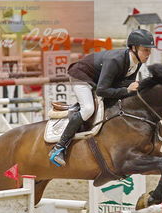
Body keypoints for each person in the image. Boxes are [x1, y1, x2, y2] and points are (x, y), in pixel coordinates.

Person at [49, 28, 156, 166]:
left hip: (98, 80)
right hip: (81, 76)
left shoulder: (137, 62)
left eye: (150, 50)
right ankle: (59, 147)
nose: (148, 54)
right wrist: (127, 90)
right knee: (88, 109)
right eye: (145, 50)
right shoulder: (115, 60)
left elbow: (125, 84)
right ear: (134, 48)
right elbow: (102, 90)